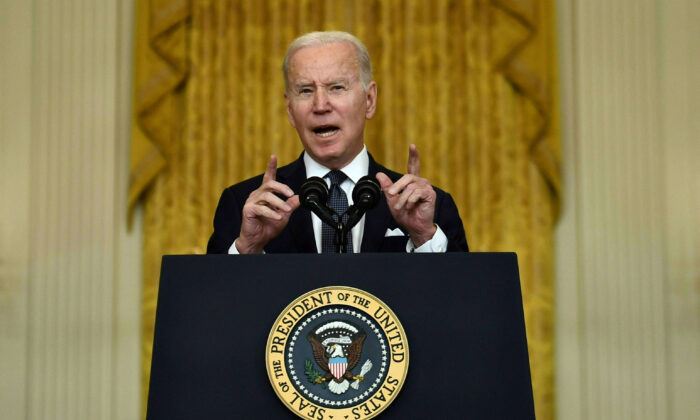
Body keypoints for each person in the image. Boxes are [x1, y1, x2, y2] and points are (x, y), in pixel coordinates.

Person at [207, 31, 468, 254]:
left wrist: (423, 236)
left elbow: (465, 301)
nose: (321, 105)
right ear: (289, 109)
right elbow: (212, 304)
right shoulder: (245, 206)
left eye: (337, 88)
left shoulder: (427, 205)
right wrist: (248, 248)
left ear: (369, 100)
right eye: (306, 91)